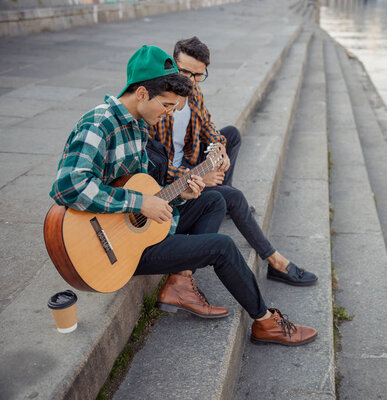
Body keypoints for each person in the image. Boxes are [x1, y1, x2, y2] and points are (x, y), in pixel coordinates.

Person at [49, 45, 317, 346]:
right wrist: (141, 202)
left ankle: (182, 281)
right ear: (140, 93)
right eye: (165, 105)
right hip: (112, 250)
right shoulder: (99, 125)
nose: (169, 112)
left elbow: (141, 188)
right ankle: (265, 322)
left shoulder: (138, 125)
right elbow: (68, 186)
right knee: (222, 246)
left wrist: (179, 194)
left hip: (131, 230)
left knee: (213, 199)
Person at [150, 36, 318, 287]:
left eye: (198, 75)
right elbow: (154, 167)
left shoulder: (194, 94)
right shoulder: (160, 103)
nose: (190, 81)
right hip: (171, 180)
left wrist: (220, 149)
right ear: (173, 64)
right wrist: (198, 177)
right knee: (234, 196)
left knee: (231, 134)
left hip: (188, 161)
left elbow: (210, 127)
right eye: (185, 72)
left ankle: (222, 194)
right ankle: (276, 262)